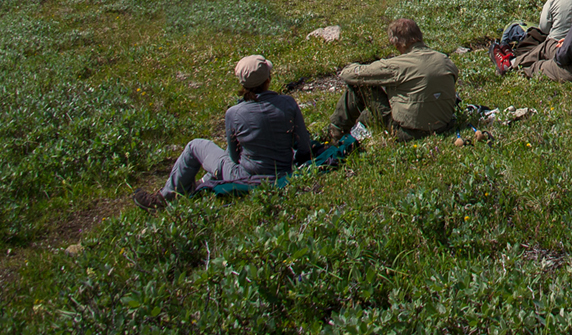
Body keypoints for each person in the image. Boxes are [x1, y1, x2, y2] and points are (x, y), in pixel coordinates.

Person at [132, 55, 311, 209]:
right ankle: (199, 184)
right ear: (268, 79)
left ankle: (165, 199)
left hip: (246, 176)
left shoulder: (234, 113)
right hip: (283, 170)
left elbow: (233, 157)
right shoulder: (288, 103)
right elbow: (304, 146)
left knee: (196, 146)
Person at [327, 18, 458, 141]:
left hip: (407, 133)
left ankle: (335, 132)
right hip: (443, 127)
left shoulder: (396, 65)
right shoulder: (445, 60)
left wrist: (353, 66)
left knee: (361, 85)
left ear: (397, 42)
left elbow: (349, 75)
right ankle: (360, 122)